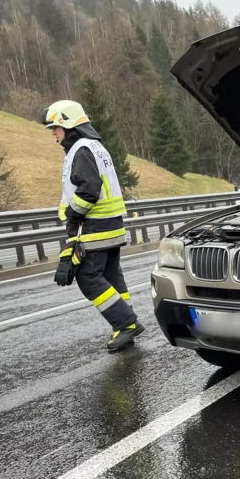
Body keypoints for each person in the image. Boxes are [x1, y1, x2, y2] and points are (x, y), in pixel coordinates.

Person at [40, 100, 144, 352]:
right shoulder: (95, 147)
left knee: (87, 277)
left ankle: (125, 323)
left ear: (68, 125)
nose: (53, 133)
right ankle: (126, 320)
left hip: (96, 226)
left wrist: (71, 214)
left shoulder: (81, 149)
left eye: (55, 127)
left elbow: (88, 190)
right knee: (109, 275)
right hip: (112, 224)